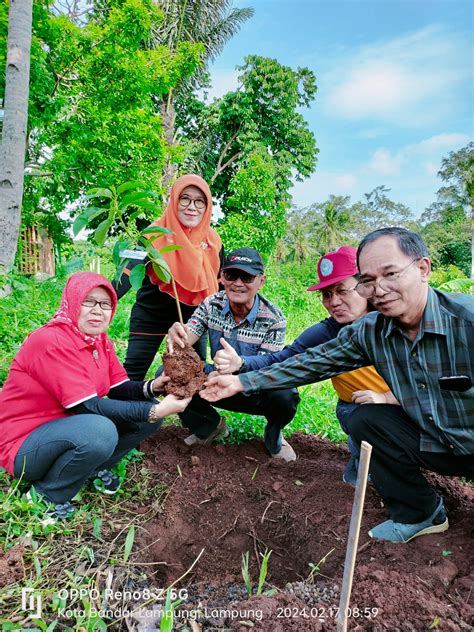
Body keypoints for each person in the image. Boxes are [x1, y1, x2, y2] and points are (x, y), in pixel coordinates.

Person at [200, 228, 474, 543]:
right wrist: (242, 379)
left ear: (423, 268)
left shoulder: (467, 322)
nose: (380, 289)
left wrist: (388, 396)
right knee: (365, 418)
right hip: (430, 438)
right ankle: (420, 512)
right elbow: (306, 363)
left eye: (391, 274)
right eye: (369, 280)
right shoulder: (370, 332)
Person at [0, 272, 190, 519]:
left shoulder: (99, 340)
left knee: (144, 417)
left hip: (66, 428)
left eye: (105, 304)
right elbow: (88, 407)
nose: (97, 310)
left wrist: (154, 387)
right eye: (88, 302)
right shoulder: (51, 341)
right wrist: (154, 410)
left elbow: (118, 387)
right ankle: (45, 496)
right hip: (24, 445)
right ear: (72, 302)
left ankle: (87, 470)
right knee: (101, 430)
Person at [212, 246, 399, 486]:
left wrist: (386, 397)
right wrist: (242, 362)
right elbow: (282, 359)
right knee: (363, 428)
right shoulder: (328, 332)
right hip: (358, 407)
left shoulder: (393, 320)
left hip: (404, 403)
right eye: (327, 294)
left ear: (364, 286)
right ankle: (366, 457)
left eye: (342, 290)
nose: (334, 302)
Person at [167, 247, 300, 462]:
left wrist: (239, 366)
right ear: (222, 277)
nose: (238, 283)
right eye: (231, 275)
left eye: (246, 277)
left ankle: (274, 435)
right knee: (167, 374)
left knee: (286, 393)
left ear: (261, 281)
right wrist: (178, 334)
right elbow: (188, 334)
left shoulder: (274, 318)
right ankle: (209, 426)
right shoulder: (211, 304)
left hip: (254, 387)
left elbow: (269, 366)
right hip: (215, 381)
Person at [115, 174, 223, 380]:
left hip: (193, 321)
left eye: (200, 201)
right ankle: (133, 411)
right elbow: (127, 274)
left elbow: (222, 286)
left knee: (194, 376)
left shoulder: (214, 242)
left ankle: (188, 412)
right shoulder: (152, 235)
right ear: (174, 200)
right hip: (151, 315)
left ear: (207, 206)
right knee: (133, 374)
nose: (192, 206)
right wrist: (98, 301)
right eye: (185, 198)